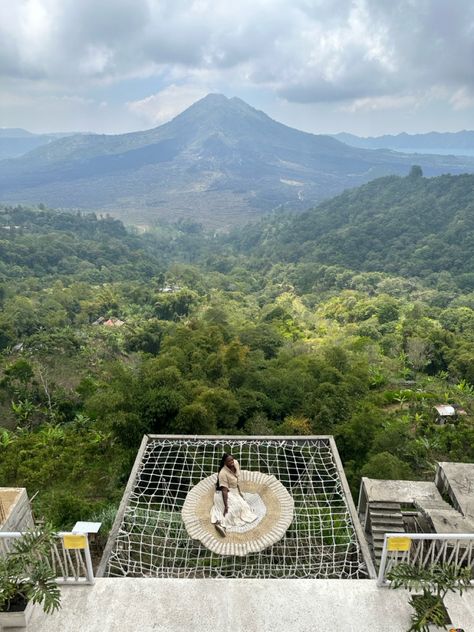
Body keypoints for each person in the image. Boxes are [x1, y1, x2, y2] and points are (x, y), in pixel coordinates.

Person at [211, 453, 258, 537]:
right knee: (234, 509)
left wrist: (240, 493)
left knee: (245, 507)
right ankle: (221, 524)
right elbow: (224, 491)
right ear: (225, 462)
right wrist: (226, 506)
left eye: (232, 459)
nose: (231, 462)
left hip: (234, 491)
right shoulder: (222, 473)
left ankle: (223, 521)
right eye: (229, 461)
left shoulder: (235, 463)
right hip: (224, 493)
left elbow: (237, 481)